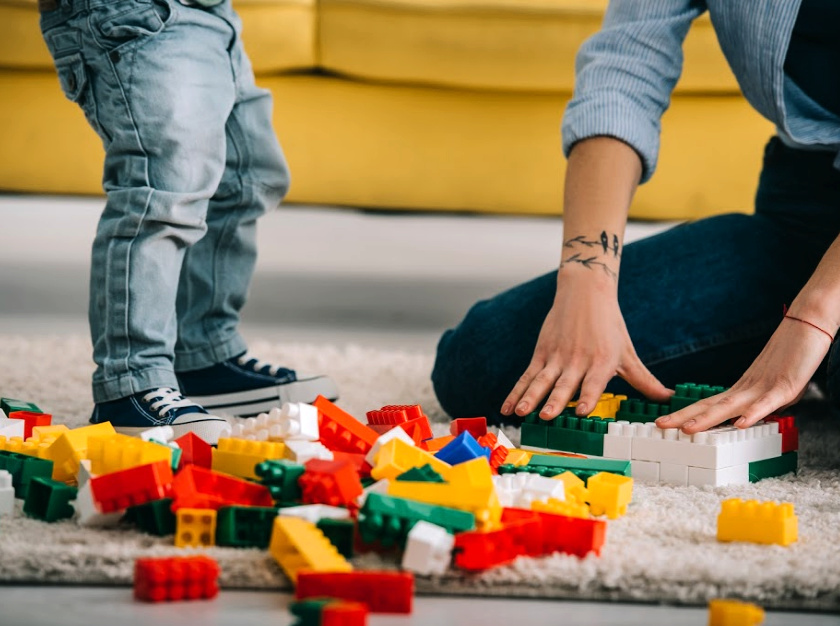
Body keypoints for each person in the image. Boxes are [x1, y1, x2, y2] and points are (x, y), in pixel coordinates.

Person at [432, 0, 840, 434]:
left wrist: (814, 314)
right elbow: (626, 70)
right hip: (800, 207)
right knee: (482, 364)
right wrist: (586, 277)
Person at [39, 0, 337, 443]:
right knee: (162, 188)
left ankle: (202, 353)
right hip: (132, 14)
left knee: (247, 178)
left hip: (212, 14)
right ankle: (132, 381)